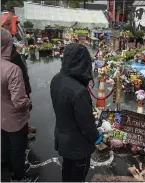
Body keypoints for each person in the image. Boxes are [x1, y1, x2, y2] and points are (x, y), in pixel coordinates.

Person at [50, 43, 102, 182]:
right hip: (78, 146)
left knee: (67, 171)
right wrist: (96, 136)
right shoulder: (79, 91)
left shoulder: (56, 79)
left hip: (63, 138)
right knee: (78, 177)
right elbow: (87, 125)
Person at [1, 27, 39, 182]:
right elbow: (19, 102)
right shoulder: (12, 69)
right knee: (18, 149)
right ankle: (19, 177)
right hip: (15, 119)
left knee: (5, 145)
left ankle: (11, 168)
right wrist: (28, 102)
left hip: (1, 115)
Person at [1, 13, 36, 140]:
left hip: (19, 76)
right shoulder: (3, 41)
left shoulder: (10, 38)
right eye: (8, 24)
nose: (11, 27)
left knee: (23, 102)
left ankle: (26, 127)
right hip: (12, 79)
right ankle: (21, 132)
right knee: (18, 105)